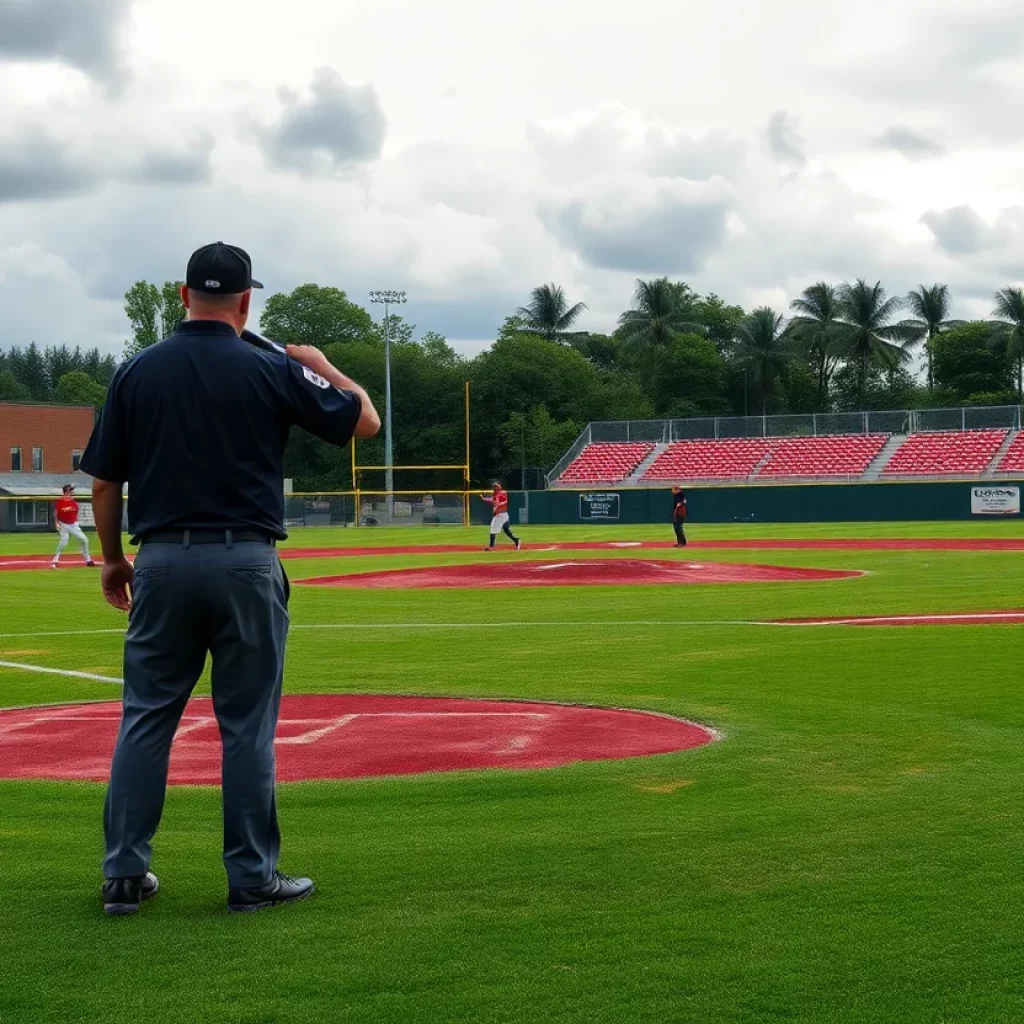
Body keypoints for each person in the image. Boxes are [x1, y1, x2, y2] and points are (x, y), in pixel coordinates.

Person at [81, 242, 380, 916]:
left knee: (146, 718)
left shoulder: (136, 371)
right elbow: (364, 419)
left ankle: (124, 876)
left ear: (183, 296)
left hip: (159, 559)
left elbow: (105, 481)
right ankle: (251, 878)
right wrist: (320, 366)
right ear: (246, 301)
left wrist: (111, 558)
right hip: (246, 560)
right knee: (246, 726)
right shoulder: (270, 367)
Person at [52, 484, 96, 568]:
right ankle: (55, 558)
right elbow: (55, 513)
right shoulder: (60, 501)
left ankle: (88, 560)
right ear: (66, 491)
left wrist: (75, 522)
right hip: (63, 524)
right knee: (64, 542)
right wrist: (56, 523)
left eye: (72, 490)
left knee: (84, 540)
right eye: (70, 490)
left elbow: (75, 512)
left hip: (73, 525)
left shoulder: (73, 501)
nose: (72, 492)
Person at [480, 481, 521, 551]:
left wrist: (496, 503)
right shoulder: (496, 494)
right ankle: (516, 540)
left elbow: (502, 502)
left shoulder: (502, 493)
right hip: (503, 515)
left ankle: (491, 546)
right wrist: (485, 499)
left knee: (493, 528)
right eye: (494, 487)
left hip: (500, 515)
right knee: (506, 529)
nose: (494, 488)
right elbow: (494, 500)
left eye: (495, 487)